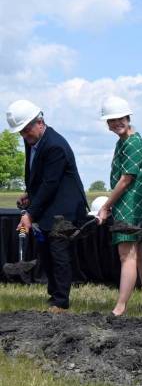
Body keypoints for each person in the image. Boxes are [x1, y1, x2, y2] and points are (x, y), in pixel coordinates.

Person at [7, 99, 88, 312]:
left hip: (65, 208)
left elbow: (50, 183)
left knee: (58, 252)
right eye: (21, 133)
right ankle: (53, 295)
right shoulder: (33, 141)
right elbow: (37, 175)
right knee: (46, 252)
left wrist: (30, 214)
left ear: (40, 122)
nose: (24, 136)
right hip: (48, 204)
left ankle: (61, 301)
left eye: (27, 130)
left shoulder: (55, 146)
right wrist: (29, 194)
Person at [93, 96, 142, 316]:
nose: (116, 123)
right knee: (140, 253)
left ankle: (120, 307)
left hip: (130, 203)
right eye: (111, 120)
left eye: (120, 118)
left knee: (126, 255)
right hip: (134, 202)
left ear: (128, 117)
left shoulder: (132, 142)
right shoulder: (126, 141)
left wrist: (106, 206)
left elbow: (126, 178)